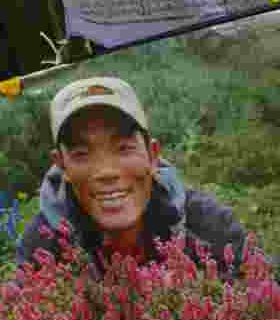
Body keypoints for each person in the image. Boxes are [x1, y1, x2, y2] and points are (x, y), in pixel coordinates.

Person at [16, 76, 259, 281]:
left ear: (152, 155)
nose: (106, 172)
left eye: (123, 148)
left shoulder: (208, 224)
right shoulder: (42, 246)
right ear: (62, 167)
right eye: (81, 154)